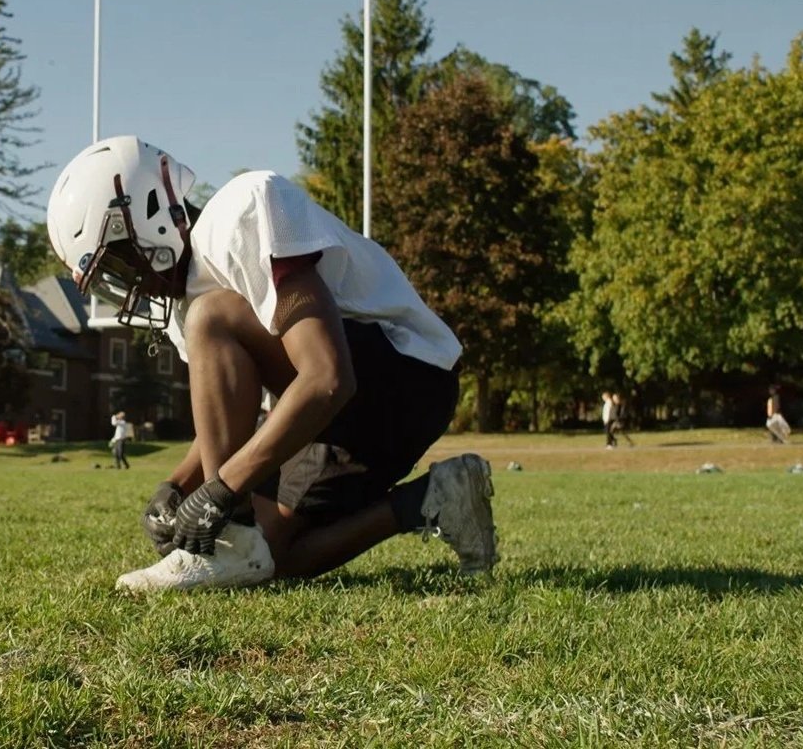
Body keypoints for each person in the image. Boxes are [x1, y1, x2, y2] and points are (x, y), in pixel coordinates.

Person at [46, 135, 498, 592]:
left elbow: (327, 377)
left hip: (409, 376)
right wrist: (177, 484)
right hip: (347, 408)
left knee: (211, 318)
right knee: (265, 558)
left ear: (148, 214)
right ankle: (434, 498)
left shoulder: (243, 212)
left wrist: (223, 491)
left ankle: (233, 536)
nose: (128, 290)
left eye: (120, 268)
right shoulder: (186, 306)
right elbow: (226, 418)